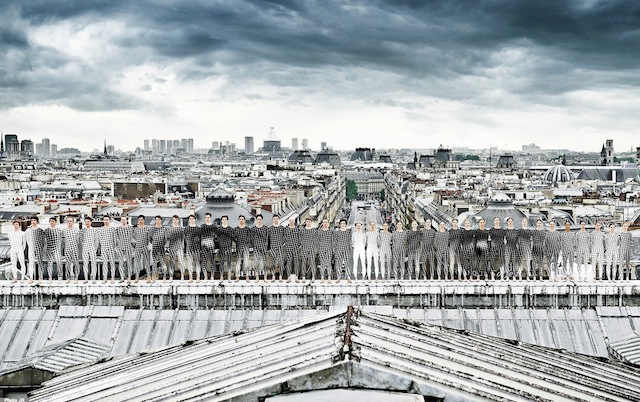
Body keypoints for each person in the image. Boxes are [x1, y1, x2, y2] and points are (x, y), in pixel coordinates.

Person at [115, 216, 135, 282]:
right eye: (122, 220)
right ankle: (122, 277)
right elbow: (115, 238)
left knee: (129, 262)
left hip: (128, 247)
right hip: (120, 247)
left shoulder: (131, 228)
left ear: (126, 220)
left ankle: (129, 277)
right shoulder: (118, 228)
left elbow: (134, 237)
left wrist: (133, 246)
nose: (123, 221)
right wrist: (116, 247)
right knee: (121, 262)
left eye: (124, 220)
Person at [25, 216, 45, 282]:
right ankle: (31, 277)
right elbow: (27, 239)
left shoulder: (40, 230)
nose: (33, 222)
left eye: (34, 220)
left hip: (39, 247)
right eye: (32, 220)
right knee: (31, 262)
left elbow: (43, 240)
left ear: (37, 221)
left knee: (40, 262)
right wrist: (30, 245)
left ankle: (40, 277)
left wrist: (41, 247)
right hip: (31, 247)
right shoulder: (28, 230)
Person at [80, 217, 100, 283]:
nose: (87, 223)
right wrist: (83, 246)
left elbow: (97, 240)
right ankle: (86, 278)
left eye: (88, 221)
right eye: (86, 221)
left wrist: (95, 249)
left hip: (92, 248)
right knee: (85, 263)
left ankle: (93, 278)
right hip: (85, 248)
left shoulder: (94, 230)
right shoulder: (83, 230)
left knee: (93, 264)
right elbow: (81, 239)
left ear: (91, 222)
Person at [132, 215, 151, 283]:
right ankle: (137, 277)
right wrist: (134, 245)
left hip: (145, 247)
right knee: (137, 263)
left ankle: (148, 277)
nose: (140, 221)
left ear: (144, 220)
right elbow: (133, 238)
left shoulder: (147, 229)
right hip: (137, 247)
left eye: (141, 220)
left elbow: (149, 238)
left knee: (147, 262)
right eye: (139, 220)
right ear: (138, 220)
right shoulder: (135, 229)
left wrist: (147, 244)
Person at [166, 215, 185, 281]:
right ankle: (171, 276)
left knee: (181, 261)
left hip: (179, 247)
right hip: (172, 247)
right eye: (174, 220)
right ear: (172, 220)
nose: (175, 221)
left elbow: (183, 239)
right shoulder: (169, 229)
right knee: (172, 262)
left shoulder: (181, 229)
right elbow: (167, 238)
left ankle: (182, 275)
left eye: (176, 219)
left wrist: (183, 247)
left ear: (178, 220)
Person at [99, 216, 117, 283]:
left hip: (111, 248)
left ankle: (112, 278)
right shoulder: (101, 229)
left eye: (107, 220)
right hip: (104, 248)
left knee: (112, 263)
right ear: (103, 221)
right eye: (104, 220)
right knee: (105, 263)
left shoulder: (113, 229)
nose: (106, 221)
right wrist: (102, 246)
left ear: (109, 221)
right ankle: (105, 278)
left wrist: (114, 247)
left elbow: (115, 239)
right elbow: (100, 239)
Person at [149, 215, 168, 282]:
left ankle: (164, 277)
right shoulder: (152, 229)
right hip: (154, 247)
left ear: (161, 220)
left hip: (161, 247)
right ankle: (153, 277)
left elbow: (165, 239)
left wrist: (162, 244)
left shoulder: (164, 229)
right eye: (156, 220)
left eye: (159, 220)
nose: (157, 221)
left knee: (163, 263)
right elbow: (150, 239)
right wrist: (154, 243)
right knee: (154, 263)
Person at [62, 217, 81, 283]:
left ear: (73, 222)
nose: (69, 222)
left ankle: (76, 278)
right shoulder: (64, 231)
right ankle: (68, 278)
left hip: (75, 248)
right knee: (67, 264)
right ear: (66, 222)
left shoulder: (77, 230)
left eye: (70, 221)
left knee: (76, 263)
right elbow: (63, 240)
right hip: (67, 249)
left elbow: (78, 240)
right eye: (68, 221)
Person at [184, 215, 202, 282]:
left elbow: (200, 239)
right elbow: (185, 240)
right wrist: (185, 250)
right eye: (190, 219)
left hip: (197, 249)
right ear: (189, 220)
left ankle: (198, 277)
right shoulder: (186, 229)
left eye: (192, 219)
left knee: (197, 263)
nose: (191, 220)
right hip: (189, 249)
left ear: (195, 220)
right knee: (190, 263)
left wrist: (200, 249)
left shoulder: (198, 229)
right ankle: (190, 277)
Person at [234, 215, 252, 281]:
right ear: (239, 220)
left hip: (246, 246)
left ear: (244, 220)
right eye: (240, 219)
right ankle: (237, 276)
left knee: (246, 261)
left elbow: (250, 238)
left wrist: (248, 244)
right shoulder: (236, 229)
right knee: (238, 262)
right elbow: (234, 237)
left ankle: (247, 276)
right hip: (238, 246)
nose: (241, 220)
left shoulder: (247, 229)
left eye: (242, 219)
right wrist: (237, 242)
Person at [283, 217, 301, 282]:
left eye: (292, 221)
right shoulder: (286, 230)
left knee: (296, 262)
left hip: (296, 248)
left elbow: (299, 238)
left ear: (294, 222)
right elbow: (284, 238)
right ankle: (288, 277)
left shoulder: (297, 229)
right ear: (288, 221)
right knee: (289, 263)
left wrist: (298, 245)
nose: (291, 222)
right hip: (288, 248)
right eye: (290, 220)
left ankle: (296, 277)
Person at [268, 214, 285, 281]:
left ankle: (280, 276)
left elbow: (285, 236)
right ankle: (273, 276)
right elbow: (267, 238)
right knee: (273, 262)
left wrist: (282, 242)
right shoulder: (270, 229)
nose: (275, 220)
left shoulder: (282, 228)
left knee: (281, 262)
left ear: (278, 220)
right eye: (274, 219)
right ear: (273, 220)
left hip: (280, 247)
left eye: (276, 219)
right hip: (273, 247)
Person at [252, 214, 269, 281]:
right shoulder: (253, 229)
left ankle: (265, 277)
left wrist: (266, 245)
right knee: (256, 262)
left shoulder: (265, 228)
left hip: (263, 246)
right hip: (256, 246)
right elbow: (251, 238)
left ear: (262, 220)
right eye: (258, 219)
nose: (259, 221)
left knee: (265, 262)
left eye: (260, 219)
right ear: (256, 220)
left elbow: (267, 238)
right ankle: (257, 277)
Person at [200, 213, 216, 280]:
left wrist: (217, 248)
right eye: (206, 217)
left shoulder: (214, 227)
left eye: (208, 217)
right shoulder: (202, 226)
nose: (207, 218)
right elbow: (199, 237)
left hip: (211, 245)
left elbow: (216, 238)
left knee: (212, 261)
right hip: (203, 245)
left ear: (210, 218)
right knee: (204, 261)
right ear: (204, 218)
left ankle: (212, 276)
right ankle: (205, 276)